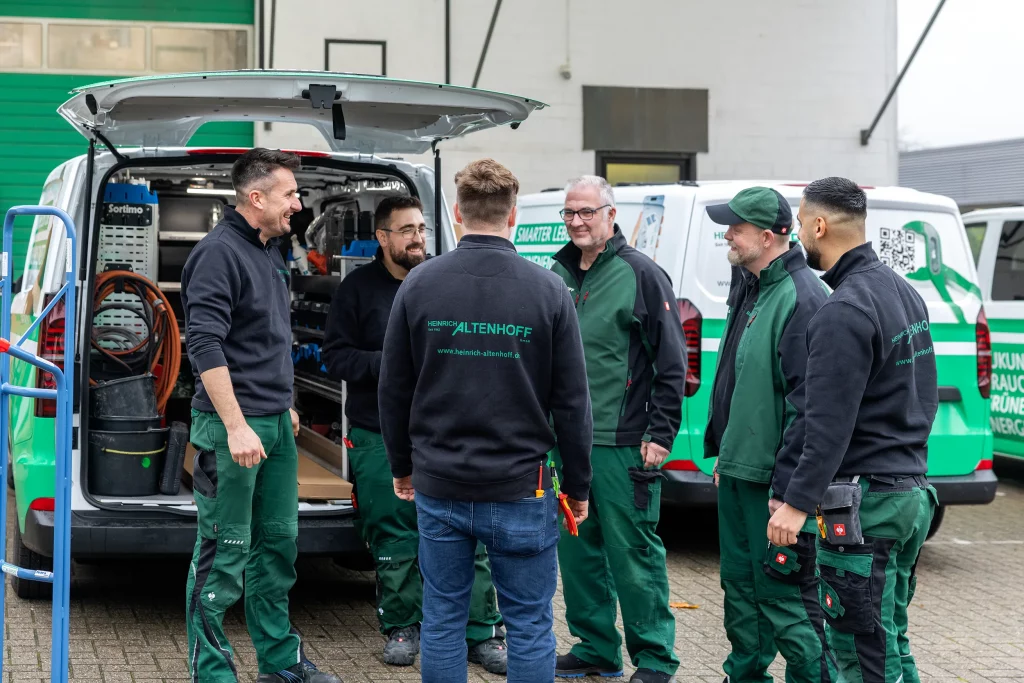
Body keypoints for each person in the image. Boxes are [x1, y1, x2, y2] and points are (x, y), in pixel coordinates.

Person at [378, 158, 593, 683]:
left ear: (456, 212)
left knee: (444, 618)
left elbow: (393, 388)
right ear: (513, 214)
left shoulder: (419, 284)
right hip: (522, 488)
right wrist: (581, 485)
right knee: (528, 624)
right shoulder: (548, 291)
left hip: (440, 484)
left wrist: (402, 466)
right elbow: (572, 401)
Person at [321, 195, 508, 673]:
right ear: (382, 238)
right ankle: (403, 626)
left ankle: (481, 632)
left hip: (444, 432)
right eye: (406, 230)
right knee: (394, 533)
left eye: (421, 228)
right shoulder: (357, 290)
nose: (418, 238)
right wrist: (391, 364)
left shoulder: (441, 282)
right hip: (377, 433)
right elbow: (336, 357)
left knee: (473, 531)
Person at [768, 177, 939, 683]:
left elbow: (826, 424)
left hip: (868, 508)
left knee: (861, 656)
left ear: (819, 225)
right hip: (910, 495)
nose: (798, 234)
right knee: (890, 645)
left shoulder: (841, 310)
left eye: (800, 223)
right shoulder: (902, 292)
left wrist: (796, 503)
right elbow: (923, 396)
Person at [181, 148, 342, 683]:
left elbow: (266, 340)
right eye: (291, 194)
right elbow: (205, 344)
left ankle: (279, 661)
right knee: (224, 554)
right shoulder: (217, 254)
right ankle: (214, 674)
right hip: (233, 429)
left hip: (272, 423)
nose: (298, 203)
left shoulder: (270, 250)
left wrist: (285, 406)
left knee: (277, 546)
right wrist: (235, 424)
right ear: (257, 198)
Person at [550, 175, 685, 683]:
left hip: (623, 443)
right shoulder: (558, 273)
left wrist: (661, 433)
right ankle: (595, 648)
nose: (578, 222)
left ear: (611, 214)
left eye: (587, 212)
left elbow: (672, 363)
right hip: (566, 442)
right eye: (570, 213)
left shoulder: (642, 275)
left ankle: (654, 657)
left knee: (633, 554)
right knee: (577, 549)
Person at [703, 187, 835, 682]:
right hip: (739, 471)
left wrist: (789, 494)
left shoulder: (802, 298)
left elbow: (810, 409)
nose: (727, 235)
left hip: (773, 488)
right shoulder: (752, 285)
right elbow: (737, 379)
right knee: (740, 590)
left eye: (735, 227)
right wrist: (724, 450)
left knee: (786, 600)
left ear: (766, 235)